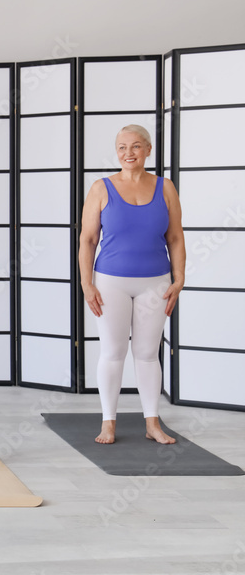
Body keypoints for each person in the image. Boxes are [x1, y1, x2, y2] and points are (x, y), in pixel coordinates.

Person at [79, 124, 184, 445]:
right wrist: (87, 284)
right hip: (110, 281)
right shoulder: (101, 188)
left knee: (147, 353)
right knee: (112, 352)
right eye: (122, 147)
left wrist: (179, 280)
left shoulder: (166, 188)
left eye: (136, 146)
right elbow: (87, 239)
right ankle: (108, 423)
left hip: (156, 282)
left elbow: (176, 238)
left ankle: (152, 423)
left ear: (148, 150)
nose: (128, 153)